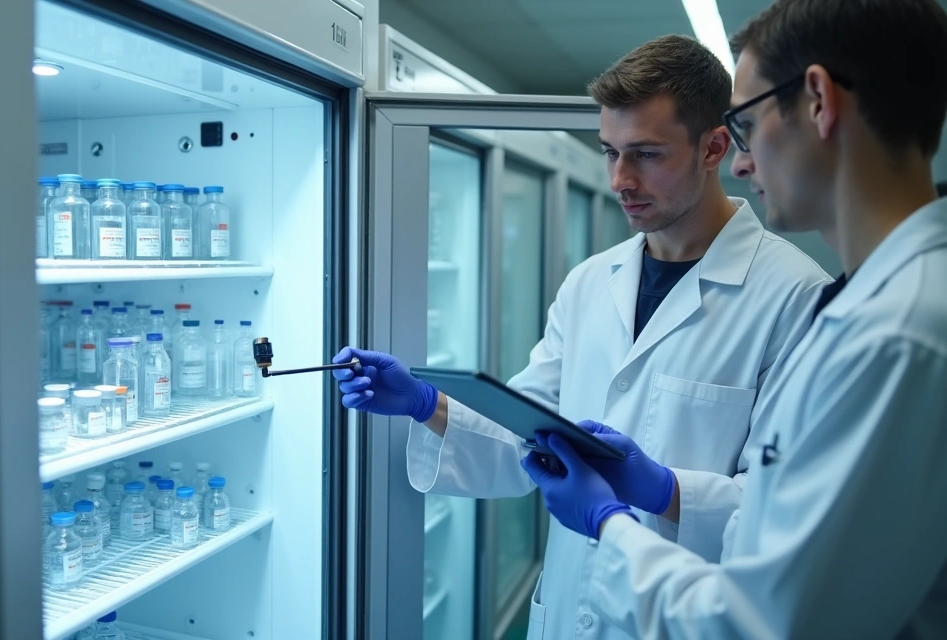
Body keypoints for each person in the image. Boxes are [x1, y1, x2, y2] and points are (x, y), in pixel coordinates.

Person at [332, 35, 831, 640]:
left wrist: (666, 490)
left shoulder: (796, 297)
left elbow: (786, 512)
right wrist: (425, 403)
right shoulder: (592, 282)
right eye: (609, 152)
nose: (621, 179)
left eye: (646, 154)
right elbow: (528, 431)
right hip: (570, 608)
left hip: (683, 618)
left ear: (715, 148)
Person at [521, 0, 947, 637]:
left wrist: (607, 522)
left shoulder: (898, 335)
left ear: (819, 101)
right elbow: (774, 532)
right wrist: (662, 488)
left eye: (745, 126)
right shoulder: (880, 308)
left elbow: (765, 620)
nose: (742, 164)